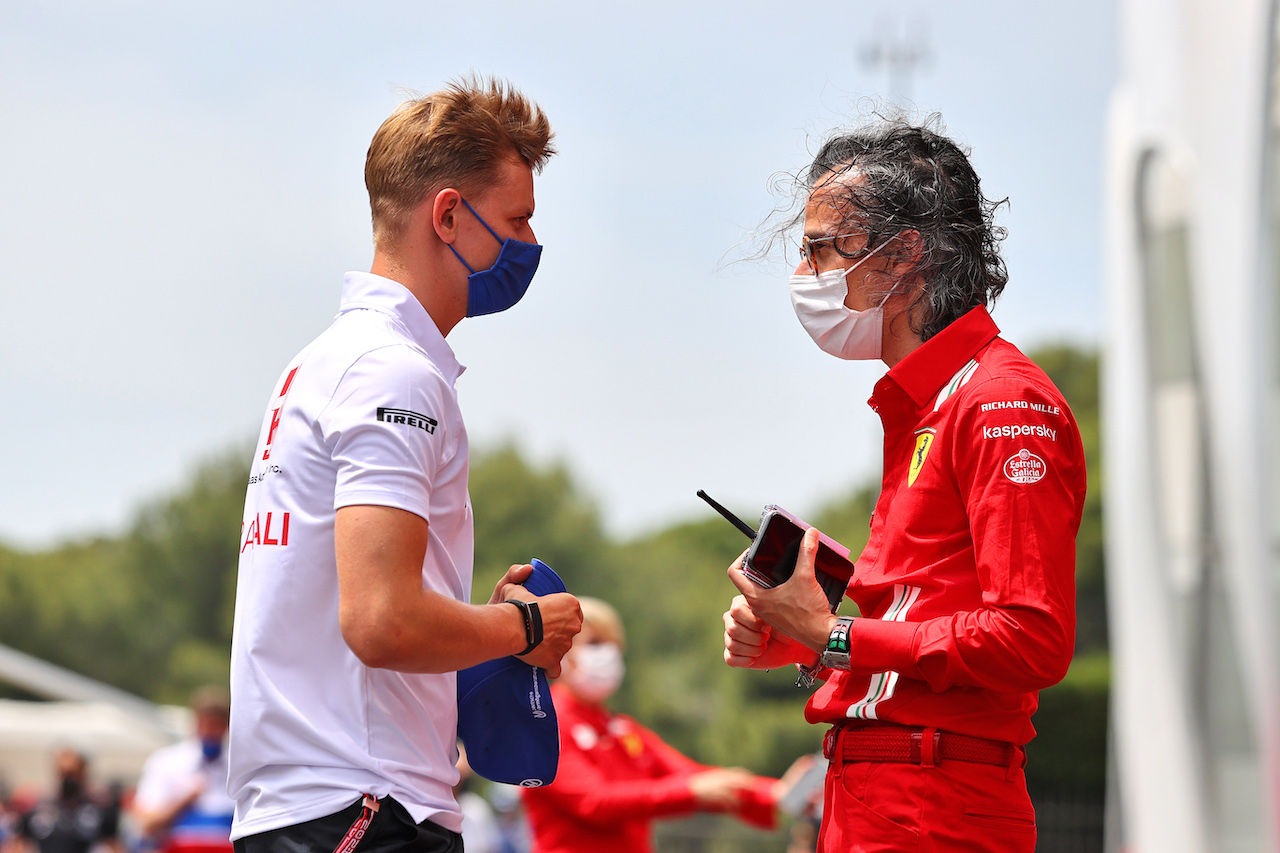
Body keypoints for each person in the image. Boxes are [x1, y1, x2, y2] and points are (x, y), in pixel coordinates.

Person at [227, 76, 583, 853]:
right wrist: (524, 624)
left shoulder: (323, 362)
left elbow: (361, 612)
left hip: (322, 801)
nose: (527, 245)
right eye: (517, 219)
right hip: (362, 803)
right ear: (449, 214)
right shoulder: (395, 373)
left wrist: (483, 629)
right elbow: (380, 620)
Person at [721, 116, 1086, 851]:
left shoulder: (1000, 400)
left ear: (904, 255)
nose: (806, 275)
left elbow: (1032, 638)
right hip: (884, 789)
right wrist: (802, 638)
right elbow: (927, 617)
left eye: (822, 248)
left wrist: (833, 634)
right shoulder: (926, 403)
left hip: (935, 797)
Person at [521, 597, 782, 853]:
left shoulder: (620, 728)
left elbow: (691, 776)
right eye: (595, 643)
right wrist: (691, 792)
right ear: (557, 651)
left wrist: (777, 794)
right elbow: (594, 801)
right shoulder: (543, 724)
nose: (608, 654)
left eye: (613, 645)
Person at [130, 687, 235, 853]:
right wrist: (184, 801)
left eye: (217, 725)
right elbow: (145, 822)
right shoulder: (166, 761)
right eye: (205, 724)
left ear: (227, 725)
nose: (210, 732)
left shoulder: (237, 766)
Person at [9, 749, 120, 853]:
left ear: (83, 772)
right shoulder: (39, 807)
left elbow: (113, 844)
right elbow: (19, 842)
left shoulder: (99, 808)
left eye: (73, 773)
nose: (68, 779)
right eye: (64, 773)